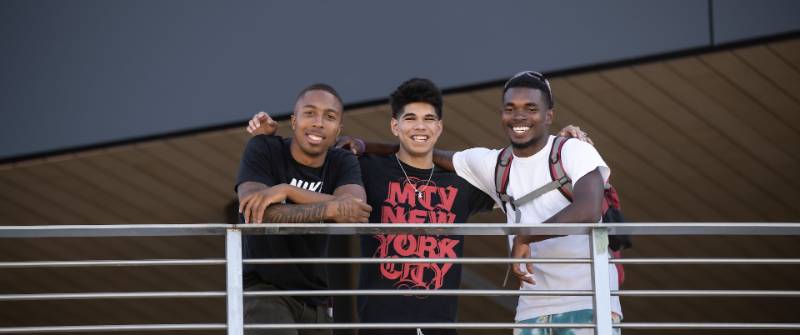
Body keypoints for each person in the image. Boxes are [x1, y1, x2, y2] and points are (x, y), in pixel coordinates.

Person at [249, 78, 496, 335]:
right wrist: (268, 139)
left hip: (440, 328)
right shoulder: (367, 167)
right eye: (410, 118)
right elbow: (315, 147)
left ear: (440, 126)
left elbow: (515, 189)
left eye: (429, 119)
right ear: (395, 125)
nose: (420, 126)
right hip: (378, 326)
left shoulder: (462, 183)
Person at [445, 71, 622, 334]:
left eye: (530, 108)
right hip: (531, 311)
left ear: (549, 115)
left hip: (588, 302)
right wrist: (362, 147)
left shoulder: (573, 150)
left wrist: (525, 237)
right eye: (510, 108)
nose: (519, 116)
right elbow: (423, 154)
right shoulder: (495, 164)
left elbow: (588, 209)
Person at [235, 83, 372, 335]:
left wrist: (287, 191)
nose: (319, 122)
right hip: (265, 292)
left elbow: (356, 211)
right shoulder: (265, 148)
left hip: (316, 300)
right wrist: (331, 208)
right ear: (294, 120)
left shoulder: (341, 161)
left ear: (338, 129)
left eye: (329, 117)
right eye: (309, 113)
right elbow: (255, 211)